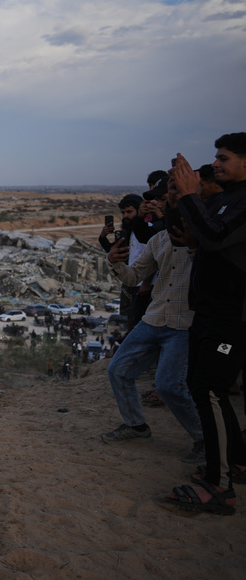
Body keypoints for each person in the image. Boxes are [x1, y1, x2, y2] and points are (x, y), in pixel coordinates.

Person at [160, 134, 246, 514]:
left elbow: (214, 236)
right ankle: (231, 464)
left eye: (224, 158)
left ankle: (221, 484)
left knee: (210, 389)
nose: (217, 164)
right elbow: (194, 236)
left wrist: (194, 196)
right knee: (201, 387)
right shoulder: (227, 198)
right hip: (209, 312)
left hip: (231, 317)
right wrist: (178, 199)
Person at [101, 185, 203, 464]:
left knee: (169, 385)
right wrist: (113, 262)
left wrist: (194, 245)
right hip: (154, 318)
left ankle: (204, 439)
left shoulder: (206, 239)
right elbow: (134, 277)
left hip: (185, 324)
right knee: (118, 370)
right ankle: (136, 425)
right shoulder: (158, 240)